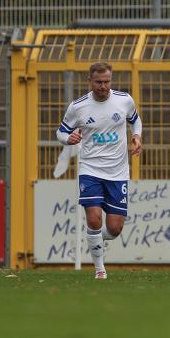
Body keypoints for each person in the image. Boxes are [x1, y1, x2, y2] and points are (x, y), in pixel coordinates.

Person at [56, 62, 142, 279]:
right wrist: (69, 138)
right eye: (99, 82)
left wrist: (137, 136)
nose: (103, 86)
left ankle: (94, 239)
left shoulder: (124, 100)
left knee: (114, 229)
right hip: (90, 169)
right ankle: (99, 269)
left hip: (118, 172)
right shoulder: (78, 107)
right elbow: (61, 132)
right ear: (90, 81)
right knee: (94, 219)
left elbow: (135, 120)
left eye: (107, 81)